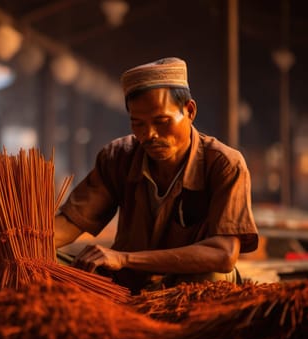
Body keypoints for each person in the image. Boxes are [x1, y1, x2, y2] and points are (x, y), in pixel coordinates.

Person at [54, 57, 259, 294]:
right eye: (138, 124)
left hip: (187, 283)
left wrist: (125, 258)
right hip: (125, 282)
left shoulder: (224, 164)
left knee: (215, 275)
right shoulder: (117, 157)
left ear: (189, 110)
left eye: (161, 121)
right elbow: (71, 222)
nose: (149, 134)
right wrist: (24, 244)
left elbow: (223, 254)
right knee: (52, 263)